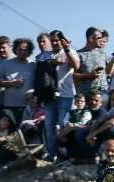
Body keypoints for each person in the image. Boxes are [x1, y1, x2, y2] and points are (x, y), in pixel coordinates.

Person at [40, 30, 81, 161]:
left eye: (57, 40)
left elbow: (76, 65)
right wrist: (52, 62)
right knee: (49, 126)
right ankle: (53, 156)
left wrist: (67, 49)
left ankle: (68, 154)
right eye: (52, 41)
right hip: (49, 96)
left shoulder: (69, 51)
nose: (55, 43)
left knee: (64, 126)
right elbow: (39, 70)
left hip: (66, 95)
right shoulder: (45, 55)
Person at [0, 37, 35, 125]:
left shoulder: (33, 64)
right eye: (20, 49)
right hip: (10, 106)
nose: (22, 52)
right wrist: (12, 83)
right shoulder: (6, 64)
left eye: (25, 50)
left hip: (29, 107)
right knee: (12, 131)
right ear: (15, 50)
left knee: (27, 131)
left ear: (29, 51)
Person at [74, 27, 108, 98]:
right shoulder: (78, 54)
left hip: (102, 94)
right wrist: (89, 75)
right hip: (86, 95)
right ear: (91, 39)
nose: (102, 40)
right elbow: (72, 75)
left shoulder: (103, 53)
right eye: (99, 38)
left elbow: (108, 71)